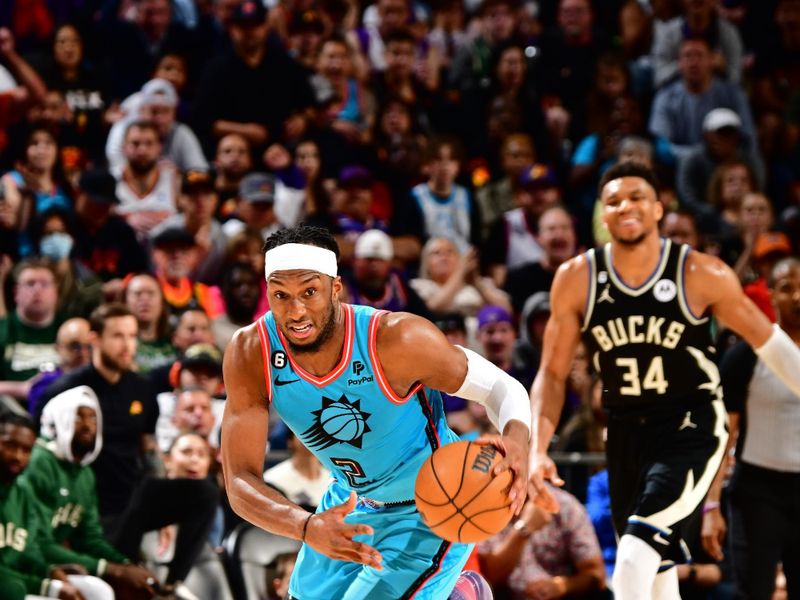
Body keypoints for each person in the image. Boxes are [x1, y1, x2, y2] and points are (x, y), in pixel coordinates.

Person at [529, 161, 800, 600]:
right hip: (625, 431)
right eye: (613, 201)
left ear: (658, 209)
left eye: (636, 197)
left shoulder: (700, 273)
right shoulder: (577, 279)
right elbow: (553, 374)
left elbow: (767, 341)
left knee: (633, 562)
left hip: (690, 427)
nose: (625, 207)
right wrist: (537, 449)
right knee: (657, 577)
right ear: (602, 214)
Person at [221, 225, 531, 599]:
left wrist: (517, 440)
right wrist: (306, 526)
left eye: (309, 292)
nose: (296, 311)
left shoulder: (396, 339)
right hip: (349, 502)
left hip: (432, 506)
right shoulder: (251, 352)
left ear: (336, 288)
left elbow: (500, 386)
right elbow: (239, 479)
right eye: (281, 295)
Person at [707, 257, 800, 599]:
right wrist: (711, 507)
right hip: (758, 492)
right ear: (772, 295)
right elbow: (722, 435)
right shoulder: (745, 357)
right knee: (754, 592)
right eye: (787, 288)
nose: (797, 297)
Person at [24, 386, 160, 597]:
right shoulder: (39, 462)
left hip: (54, 563)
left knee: (108, 589)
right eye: (78, 418)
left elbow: (90, 538)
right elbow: (38, 543)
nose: (88, 426)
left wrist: (126, 566)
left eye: (93, 419)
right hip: (29, 563)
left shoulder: (85, 473)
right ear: (57, 420)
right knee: (101, 591)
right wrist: (111, 569)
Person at [0, 411, 113, 600]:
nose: (18, 457)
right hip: (12, 587)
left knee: (97, 591)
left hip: (20, 582)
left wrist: (49, 570)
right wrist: (46, 587)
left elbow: (30, 550)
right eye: (10, 446)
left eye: (26, 450)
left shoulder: (23, 493)